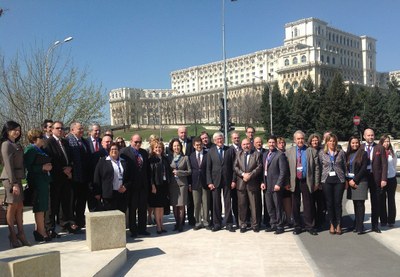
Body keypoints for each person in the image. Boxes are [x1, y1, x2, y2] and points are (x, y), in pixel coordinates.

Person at [43, 121, 77, 237]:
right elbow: (51, 159)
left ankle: (66, 223)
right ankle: (50, 228)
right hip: (55, 177)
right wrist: (63, 170)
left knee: (66, 202)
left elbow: (70, 158)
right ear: (52, 130)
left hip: (66, 177)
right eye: (57, 128)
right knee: (53, 204)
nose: (60, 130)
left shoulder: (65, 142)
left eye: (62, 128)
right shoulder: (48, 143)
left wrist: (70, 168)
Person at [0, 121, 30, 247]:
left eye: (19, 129)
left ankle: (21, 233)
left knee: (19, 207)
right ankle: (12, 235)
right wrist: (14, 183)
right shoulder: (6, 144)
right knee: (12, 207)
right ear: (7, 131)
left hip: (17, 178)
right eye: (14, 129)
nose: (17, 132)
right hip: (10, 179)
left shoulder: (16, 145)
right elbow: (7, 165)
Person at [286, 130, 319, 236]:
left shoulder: (311, 151)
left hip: (307, 181)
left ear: (304, 139)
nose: (300, 140)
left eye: (302, 138)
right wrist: (287, 182)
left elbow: (317, 168)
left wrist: (316, 183)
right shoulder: (289, 151)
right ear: (294, 140)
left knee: (308, 204)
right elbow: (285, 169)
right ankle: (297, 226)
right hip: (294, 181)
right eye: (298, 139)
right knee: (295, 205)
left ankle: (309, 226)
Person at [24, 129, 52, 242]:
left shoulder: (40, 149)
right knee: (39, 207)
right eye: (42, 138)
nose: (44, 139)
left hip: (43, 181)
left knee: (44, 206)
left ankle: (40, 230)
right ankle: (41, 232)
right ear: (35, 139)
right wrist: (42, 167)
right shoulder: (30, 149)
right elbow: (29, 167)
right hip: (37, 182)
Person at [120, 134, 151, 237]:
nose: (137, 144)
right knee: (132, 208)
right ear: (131, 141)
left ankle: (142, 229)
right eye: (135, 142)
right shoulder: (124, 152)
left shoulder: (144, 153)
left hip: (143, 185)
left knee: (142, 208)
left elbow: (147, 169)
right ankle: (133, 230)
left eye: (139, 142)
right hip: (131, 186)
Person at [206, 132, 235, 232]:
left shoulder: (230, 150)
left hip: (227, 180)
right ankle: (217, 223)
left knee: (227, 202)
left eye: (221, 138)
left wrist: (233, 180)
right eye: (217, 139)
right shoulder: (211, 151)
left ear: (223, 139)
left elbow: (234, 167)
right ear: (214, 141)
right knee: (216, 203)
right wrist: (209, 182)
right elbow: (208, 168)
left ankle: (229, 223)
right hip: (215, 181)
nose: (219, 140)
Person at [261, 136, 289, 234]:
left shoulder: (280, 155)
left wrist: (279, 184)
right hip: (267, 185)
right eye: (269, 142)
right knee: (269, 206)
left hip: (276, 185)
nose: (271, 144)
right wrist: (262, 182)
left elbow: (283, 171)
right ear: (267, 143)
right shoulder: (265, 154)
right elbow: (263, 171)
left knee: (278, 206)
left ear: (276, 144)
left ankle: (280, 226)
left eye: (273, 142)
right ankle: (273, 224)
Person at [319, 133, 346, 235]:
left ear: (336, 142)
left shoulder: (341, 153)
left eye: (334, 141)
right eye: (330, 141)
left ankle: (339, 224)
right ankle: (331, 224)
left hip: (339, 180)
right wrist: (319, 182)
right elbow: (320, 168)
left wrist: (346, 180)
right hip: (326, 180)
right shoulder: (322, 153)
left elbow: (344, 167)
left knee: (337, 203)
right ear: (327, 142)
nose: (332, 143)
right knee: (329, 203)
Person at [233, 138, 263, 233]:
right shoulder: (238, 154)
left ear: (251, 144)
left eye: (247, 144)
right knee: (242, 205)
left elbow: (259, 167)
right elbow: (235, 167)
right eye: (244, 144)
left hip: (252, 183)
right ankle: (243, 224)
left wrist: (250, 175)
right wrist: (243, 174)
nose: (246, 146)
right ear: (241, 145)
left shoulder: (256, 154)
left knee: (254, 205)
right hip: (241, 184)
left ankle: (255, 225)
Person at [361, 128, 387, 233]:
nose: (370, 137)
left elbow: (384, 164)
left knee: (375, 202)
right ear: (364, 136)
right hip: (363, 177)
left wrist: (383, 179)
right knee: (360, 202)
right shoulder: (361, 147)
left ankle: (375, 226)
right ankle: (359, 225)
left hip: (375, 178)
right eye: (368, 135)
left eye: (372, 135)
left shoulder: (379, 148)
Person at [67, 122, 91, 229]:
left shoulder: (84, 141)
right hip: (74, 176)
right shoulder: (68, 141)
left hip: (84, 176)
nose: (82, 130)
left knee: (82, 200)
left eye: (82, 128)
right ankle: (72, 222)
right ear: (72, 130)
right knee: (73, 201)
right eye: (79, 129)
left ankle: (80, 221)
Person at [93, 142, 129, 213]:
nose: (114, 151)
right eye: (112, 149)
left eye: (116, 149)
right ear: (109, 151)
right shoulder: (103, 161)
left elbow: (129, 177)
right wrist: (97, 192)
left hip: (121, 193)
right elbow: (97, 177)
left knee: (121, 215)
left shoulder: (124, 161)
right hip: (109, 194)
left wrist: (125, 186)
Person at [346, 136, 369, 234]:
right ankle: (356, 224)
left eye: (356, 143)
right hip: (351, 181)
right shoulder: (348, 154)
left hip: (361, 181)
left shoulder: (363, 153)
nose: (355, 144)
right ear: (350, 144)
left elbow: (364, 168)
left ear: (359, 144)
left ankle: (360, 227)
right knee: (355, 203)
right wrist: (349, 180)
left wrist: (354, 180)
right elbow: (346, 168)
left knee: (360, 204)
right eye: (352, 143)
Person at [168, 138, 191, 232]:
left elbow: (189, 171)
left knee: (181, 205)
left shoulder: (185, 158)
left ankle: (181, 224)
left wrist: (179, 172)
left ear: (181, 147)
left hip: (182, 184)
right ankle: (177, 223)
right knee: (174, 205)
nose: (176, 147)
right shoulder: (169, 157)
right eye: (174, 146)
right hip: (173, 184)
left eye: (178, 146)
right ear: (172, 147)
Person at [148, 140, 171, 234]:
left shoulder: (165, 159)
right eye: (156, 147)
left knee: (162, 206)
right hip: (156, 185)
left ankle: (162, 224)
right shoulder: (151, 160)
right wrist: (152, 185)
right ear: (153, 149)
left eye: (160, 147)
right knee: (157, 207)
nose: (158, 149)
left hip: (164, 184)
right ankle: (158, 225)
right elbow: (150, 174)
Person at [189, 137, 210, 230]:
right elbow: (190, 171)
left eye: (200, 144)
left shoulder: (207, 154)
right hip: (194, 183)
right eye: (197, 145)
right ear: (194, 145)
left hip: (205, 182)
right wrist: (190, 184)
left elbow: (209, 169)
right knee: (196, 204)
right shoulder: (191, 156)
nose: (199, 146)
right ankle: (197, 222)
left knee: (205, 203)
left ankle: (206, 222)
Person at [308, 133, 325, 230]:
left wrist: (319, 183)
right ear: (310, 141)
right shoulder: (308, 151)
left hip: (321, 180)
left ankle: (320, 221)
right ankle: (313, 221)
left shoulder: (322, 151)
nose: (315, 142)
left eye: (316, 140)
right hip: (311, 181)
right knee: (311, 203)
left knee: (320, 203)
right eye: (313, 140)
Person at [379, 134, 397, 228]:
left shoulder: (391, 152)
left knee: (391, 200)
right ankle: (383, 220)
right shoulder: (378, 151)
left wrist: (391, 174)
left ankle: (391, 221)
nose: (386, 143)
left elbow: (394, 165)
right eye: (385, 141)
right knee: (382, 200)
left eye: (388, 141)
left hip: (391, 178)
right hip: (382, 179)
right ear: (381, 142)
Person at [276, 137, 291, 227]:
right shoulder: (275, 154)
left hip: (286, 182)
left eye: (283, 143)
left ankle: (289, 219)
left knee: (287, 201)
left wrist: (287, 182)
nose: (281, 144)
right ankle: (281, 219)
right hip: (277, 181)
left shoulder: (288, 153)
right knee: (279, 202)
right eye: (279, 143)